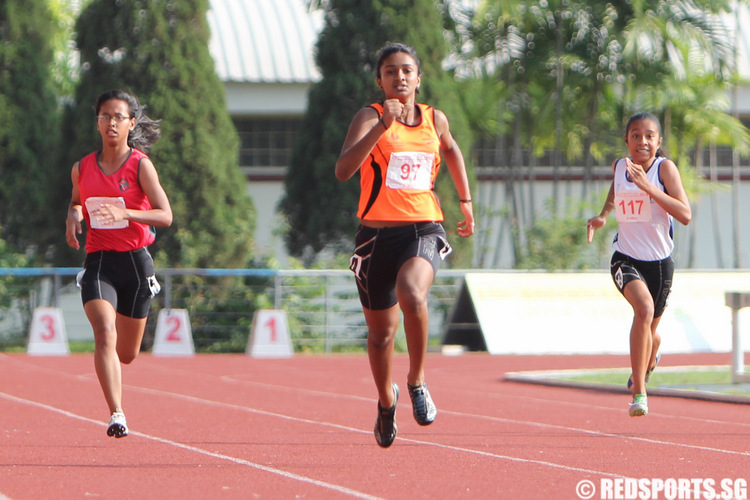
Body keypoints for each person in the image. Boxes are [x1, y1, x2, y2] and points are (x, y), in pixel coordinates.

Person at [335, 42, 475, 447]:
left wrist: (464, 201)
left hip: (422, 227)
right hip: (376, 238)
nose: (400, 77)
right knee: (380, 336)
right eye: (391, 71)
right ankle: (385, 400)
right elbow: (344, 170)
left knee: (413, 294)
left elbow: (451, 150)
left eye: (407, 70)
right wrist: (382, 127)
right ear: (379, 80)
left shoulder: (435, 119)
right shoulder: (369, 116)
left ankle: (416, 380)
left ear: (418, 78)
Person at [65, 89, 173, 437]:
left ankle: (118, 400)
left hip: (136, 265)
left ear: (131, 123)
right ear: (97, 122)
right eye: (105, 116)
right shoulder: (81, 167)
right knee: (103, 331)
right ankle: (117, 413)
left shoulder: (140, 165)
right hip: (99, 262)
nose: (111, 122)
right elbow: (76, 201)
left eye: (118, 117)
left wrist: (126, 212)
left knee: (127, 354)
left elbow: (166, 215)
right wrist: (74, 215)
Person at [587, 112, 691, 417]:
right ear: (626, 140)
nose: (641, 141)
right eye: (635, 135)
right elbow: (616, 189)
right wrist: (604, 215)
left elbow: (685, 214)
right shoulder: (620, 166)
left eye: (648, 136)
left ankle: (652, 351)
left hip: (660, 264)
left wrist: (648, 187)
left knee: (651, 329)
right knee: (643, 311)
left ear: (658, 142)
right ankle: (639, 392)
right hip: (626, 257)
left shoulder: (664, 169)